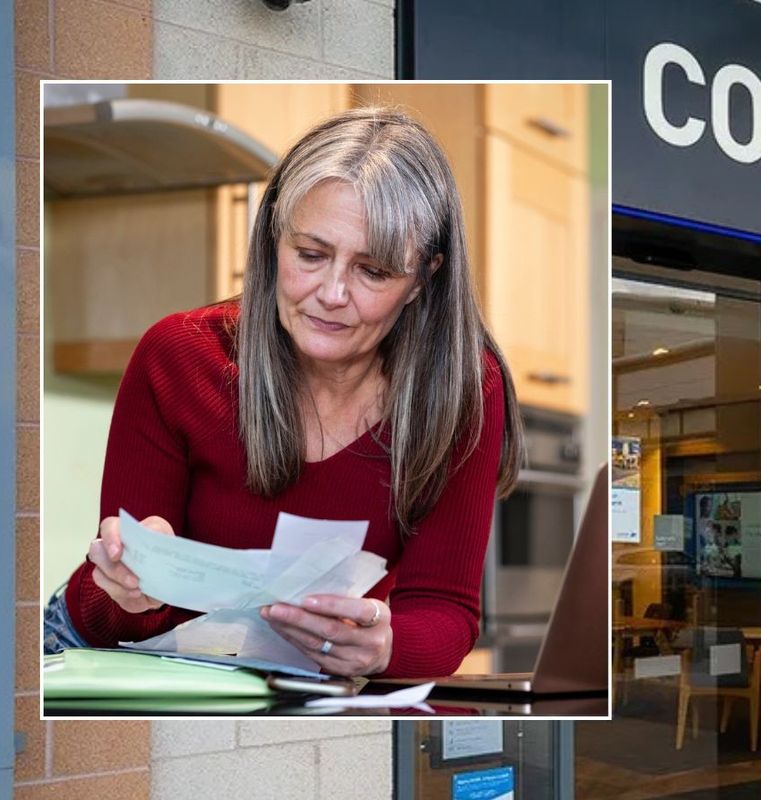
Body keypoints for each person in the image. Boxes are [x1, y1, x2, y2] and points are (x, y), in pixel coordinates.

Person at [43, 107, 524, 678]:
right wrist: (127, 588)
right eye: (311, 255)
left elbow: (444, 610)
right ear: (274, 239)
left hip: (294, 680)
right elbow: (106, 620)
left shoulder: (463, 391)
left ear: (423, 278)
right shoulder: (178, 355)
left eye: (373, 271)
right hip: (105, 653)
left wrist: (385, 648)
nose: (332, 293)